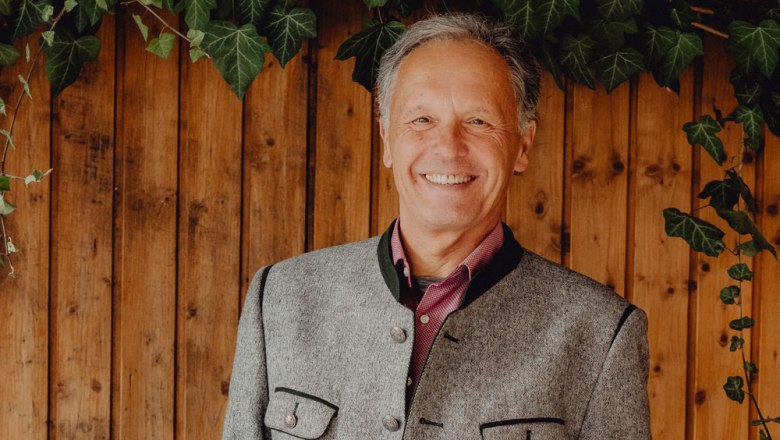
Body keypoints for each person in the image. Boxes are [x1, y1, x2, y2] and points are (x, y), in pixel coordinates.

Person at [223, 12, 651, 440]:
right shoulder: (280, 297)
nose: (448, 147)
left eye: (478, 121)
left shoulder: (599, 331)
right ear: (387, 139)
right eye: (422, 120)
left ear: (523, 145)